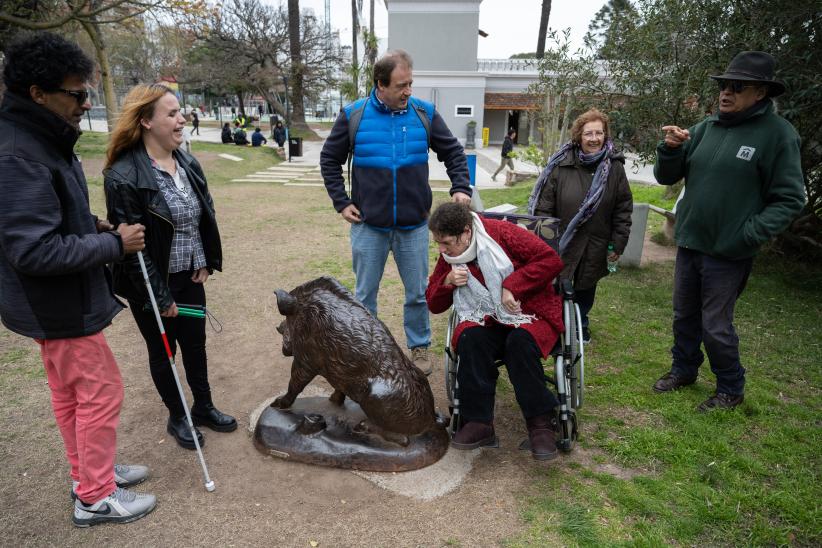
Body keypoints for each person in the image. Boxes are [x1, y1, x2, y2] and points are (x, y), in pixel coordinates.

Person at [0, 32, 156, 527]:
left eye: (87, 92)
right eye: (76, 93)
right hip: (56, 303)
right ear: (36, 92)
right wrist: (115, 245)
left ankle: (92, 473)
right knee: (100, 391)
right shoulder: (18, 152)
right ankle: (94, 495)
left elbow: (56, 218)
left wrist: (97, 227)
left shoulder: (43, 138)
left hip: (58, 299)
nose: (85, 102)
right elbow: (32, 249)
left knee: (72, 394)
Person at [651, 51, 805, 411]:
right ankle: (684, 369)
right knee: (683, 316)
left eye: (737, 87)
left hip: (730, 251)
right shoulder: (706, 128)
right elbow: (665, 176)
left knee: (715, 325)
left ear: (761, 93)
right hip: (691, 242)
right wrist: (671, 149)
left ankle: (730, 388)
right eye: (723, 85)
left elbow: (789, 199)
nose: (726, 93)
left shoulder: (778, 135)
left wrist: (748, 233)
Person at [320, 49, 472, 375]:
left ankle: (419, 348)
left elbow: (454, 153)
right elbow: (329, 160)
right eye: (401, 85)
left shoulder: (424, 114)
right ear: (381, 84)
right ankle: (367, 350)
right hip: (368, 226)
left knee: (417, 293)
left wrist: (461, 186)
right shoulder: (354, 115)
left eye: (410, 84)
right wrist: (341, 201)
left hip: (414, 226)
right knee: (364, 296)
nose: (408, 91)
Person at [103, 83, 237, 449]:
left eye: (181, 112)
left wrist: (206, 261)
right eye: (172, 113)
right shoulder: (123, 176)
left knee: (196, 345)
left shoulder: (188, 163)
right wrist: (160, 296)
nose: (182, 119)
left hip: (190, 276)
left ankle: (204, 407)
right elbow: (133, 249)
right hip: (151, 284)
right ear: (146, 121)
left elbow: (203, 216)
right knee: (164, 352)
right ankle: (178, 417)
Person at [426, 202, 564, 459]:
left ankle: (540, 424)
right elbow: (434, 303)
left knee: (520, 343)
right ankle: (478, 422)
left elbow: (550, 260)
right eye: (438, 243)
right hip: (485, 318)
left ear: (466, 232)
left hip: (527, 312)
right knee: (470, 339)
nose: (441, 250)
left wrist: (513, 285)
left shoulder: (502, 233)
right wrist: (446, 282)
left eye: (445, 243)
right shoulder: (450, 258)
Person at [529, 108, 633, 344]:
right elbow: (544, 205)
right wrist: (545, 239)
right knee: (556, 284)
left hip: (596, 239)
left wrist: (619, 241)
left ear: (605, 135)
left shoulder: (614, 167)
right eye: (589, 133)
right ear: (579, 136)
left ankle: (580, 323)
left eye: (599, 133)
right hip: (562, 238)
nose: (594, 138)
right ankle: (555, 325)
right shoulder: (561, 164)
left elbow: (623, 207)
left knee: (586, 284)